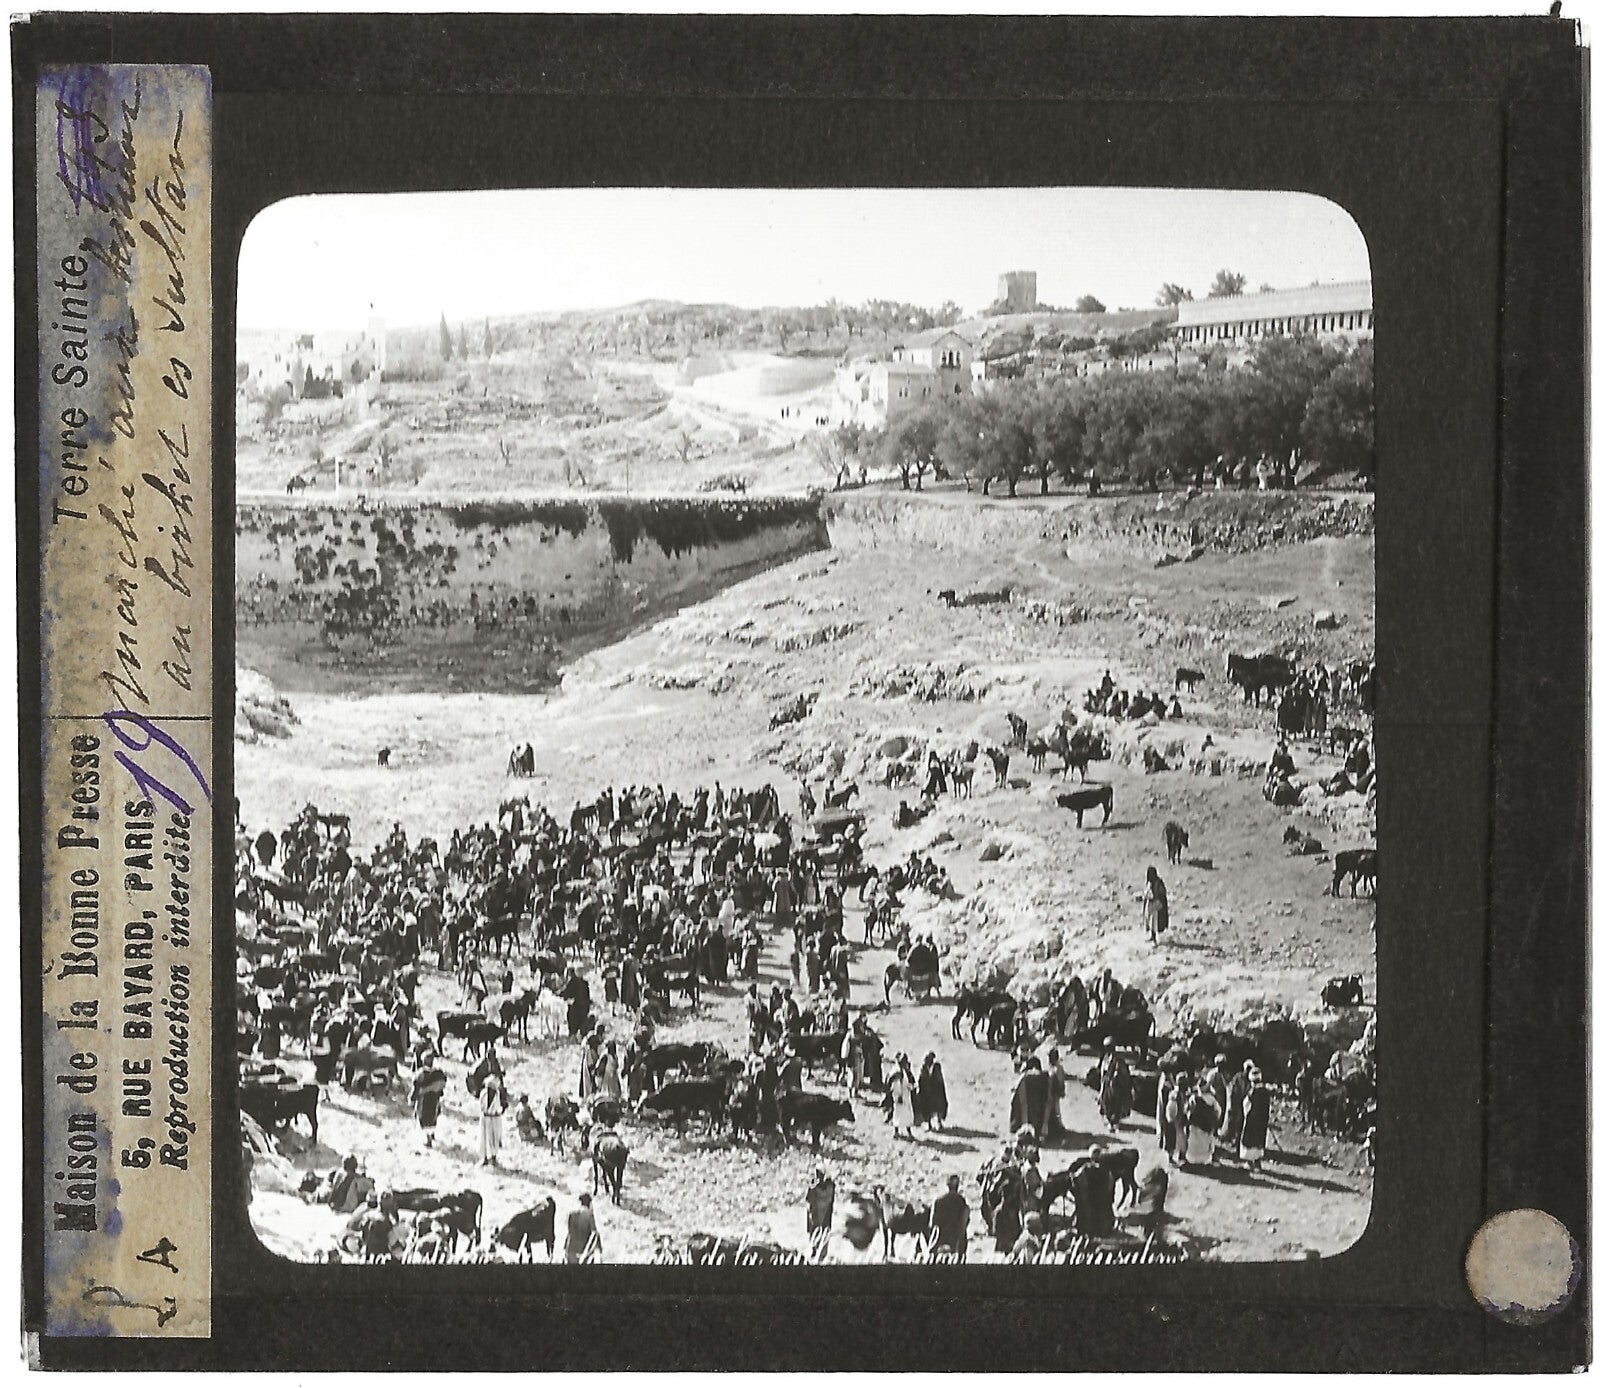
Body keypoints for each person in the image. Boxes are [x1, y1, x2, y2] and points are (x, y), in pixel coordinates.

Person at [410, 1051, 446, 1148]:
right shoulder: (439, 1073)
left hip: (424, 1101)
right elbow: (442, 1086)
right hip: (435, 1100)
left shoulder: (420, 1074)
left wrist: (412, 1098)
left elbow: (416, 1089)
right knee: (433, 1117)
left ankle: (429, 1140)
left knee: (425, 1119)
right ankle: (432, 1135)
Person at [1238, 1064, 1271, 1169]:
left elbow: (1246, 1105)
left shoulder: (1252, 1092)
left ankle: (1249, 1162)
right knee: (1259, 1140)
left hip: (1252, 1120)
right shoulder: (1265, 1091)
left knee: (1250, 1141)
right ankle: (1257, 1162)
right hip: (1262, 1121)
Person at [1010, 1055, 1052, 1136]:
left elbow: (1018, 1100)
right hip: (1042, 1121)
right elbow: (1049, 1101)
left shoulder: (1024, 1078)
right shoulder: (1046, 1078)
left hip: (1026, 1119)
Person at [931, 1175, 970, 1262]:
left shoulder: (939, 1201)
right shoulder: (962, 1201)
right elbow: (965, 1221)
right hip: (957, 1239)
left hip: (942, 1237)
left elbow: (934, 1222)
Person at [1098, 1043, 1132, 1131]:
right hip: (1107, 1084)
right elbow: (1103, 1071)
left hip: (1116, 1085)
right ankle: (1110, 1121)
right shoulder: (1106, 1058)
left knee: (1116, 1104)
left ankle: (1115, 1122)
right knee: (1107, 1102)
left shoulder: (1118, 1060)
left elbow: (1122, 1073)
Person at [805, 1168, 836, 1261]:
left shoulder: (818, 1188)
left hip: (818, 1216)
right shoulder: (827, 1187)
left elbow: (809, 1200)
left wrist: (812, 1187)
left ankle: (819, 1252)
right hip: (819, 1216)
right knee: (820, 1232)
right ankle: (818, 1251)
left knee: (819, 1232)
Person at [886, 1053, 917, 1141]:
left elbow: (905, 1083)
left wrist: (910, 1087)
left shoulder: (902, 1071)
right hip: (900, 1097)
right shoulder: (898, 1072)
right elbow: (896, 1085)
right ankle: (901, 1133)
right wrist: (899, 1096)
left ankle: (901, 1132)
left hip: (905, 1095)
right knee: (901, 1114)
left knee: (904, 1114)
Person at [479, 1071, 506, 1167]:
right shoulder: (483, 1094)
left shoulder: (498, 1095)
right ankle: (485, 1158)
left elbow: (501, 1107)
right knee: (484, 1138)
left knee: (494, 1138)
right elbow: (481, 1106)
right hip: (485, 1118)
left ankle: (494, 1158)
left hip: (495, 1118)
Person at [565, 1192, 601, 1263]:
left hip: (571, 1254)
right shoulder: (589, 1215)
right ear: (589, 1204)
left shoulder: (572, 1215)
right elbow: (594, 1235)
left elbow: (570, 1234)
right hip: (583, 1256)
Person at [916, 1052, 948, 1131]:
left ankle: (939, 1122)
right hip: (926, 1092)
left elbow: (939, 1080)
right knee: (927, 1108)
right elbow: (921, 1079)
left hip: (936, 1092)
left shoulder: (936, 1067)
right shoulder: (923, 1068)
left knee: (939, 1107)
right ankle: (929, 1124)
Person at [1141, 865, 1169, 946]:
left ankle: (1155, 939)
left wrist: (1156, 899)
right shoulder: (1150, 883)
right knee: (1150, 921)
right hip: (1150, 904)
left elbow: (1162, 893)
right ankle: (1152, 936)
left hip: (1157, 905)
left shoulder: (1158, 882)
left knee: (1155, 922)